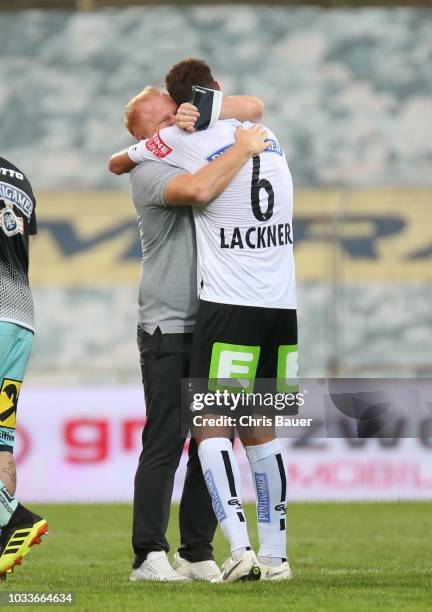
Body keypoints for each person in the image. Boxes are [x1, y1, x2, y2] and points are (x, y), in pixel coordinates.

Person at [110, 58, 298, 583]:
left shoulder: (199, 144)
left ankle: (195, 551)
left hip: (217, 313)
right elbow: (199, 190)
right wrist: (240, 147)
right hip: (171, 322)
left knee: (212, 439)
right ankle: (148, 553)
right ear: (146, 134)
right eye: (161, 120)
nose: (175, 121)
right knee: (167, 439)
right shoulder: (151, 172)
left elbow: (247, 107)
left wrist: (216, 123)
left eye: (177, 112)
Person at [0, 157, 48, 580]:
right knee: (1, 442)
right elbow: (23, 251)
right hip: (20, 321)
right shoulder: (19, 177)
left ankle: (14, 516)